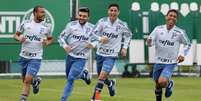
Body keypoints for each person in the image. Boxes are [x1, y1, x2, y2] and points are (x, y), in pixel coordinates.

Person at [147, 9, 191, 101]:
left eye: (174, 16)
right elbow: (150, 42)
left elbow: (188, 44)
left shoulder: (180, 32)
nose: (172, 18)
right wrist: (149, 41)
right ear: (166, 17)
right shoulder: (158, 29)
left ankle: (169, 84)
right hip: (158, 61)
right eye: (170, 15)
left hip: (170, 62)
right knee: (157, 84)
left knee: (162, 81)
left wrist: (183, 54)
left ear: (177, 19)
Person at [90, 3, 132, 101]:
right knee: (102, 76)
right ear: (108, 11)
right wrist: (100, 38)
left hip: (112, 55)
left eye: (115, 11)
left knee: (102, 75)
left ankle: (95, 97)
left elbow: (129, 35)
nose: (113, 12)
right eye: (111, 10)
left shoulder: (122, 24)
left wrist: (125, 47)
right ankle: (110, 83)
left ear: (118, 12)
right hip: (100, 53)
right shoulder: (102, 22)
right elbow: (92, 34)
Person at [13, 5, 53, 101]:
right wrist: (20, 39)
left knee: (27, 80)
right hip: (23, 56)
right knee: (25, 80)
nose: (44, 14)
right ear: (35, 13)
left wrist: (46, 43)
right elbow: (15, 35)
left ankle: (23, 99)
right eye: (41, 12)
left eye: (44, 12)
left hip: (36, 57)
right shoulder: (26, 23)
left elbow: (50, 39)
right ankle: (35, 82)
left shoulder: (46, 26)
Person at [58, 7, 96, 101]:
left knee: (71, 78)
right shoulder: (71, 25)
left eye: (84, 16)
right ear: (78, 15)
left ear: (88, 17)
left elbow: (99, 39)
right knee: (69, 77)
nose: (82, 18)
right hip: (70, 56)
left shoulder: (92, 27)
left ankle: (63, 99)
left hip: (82, 57)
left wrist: (93, 44)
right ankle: (83, 75)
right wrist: (65, 46)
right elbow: (60, 37)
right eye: (80, 15)